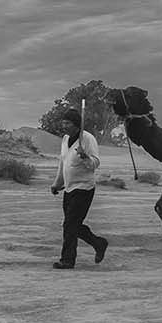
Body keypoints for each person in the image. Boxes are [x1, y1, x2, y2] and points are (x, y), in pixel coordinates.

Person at [49, 113, 107, 268]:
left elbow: (95, 163)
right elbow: (63, 163)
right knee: (72, 225)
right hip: (69, 188)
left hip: (84, 188)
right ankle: (98, 243)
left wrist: (84, 156)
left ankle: (67, 260)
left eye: (67, 123)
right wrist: (57, 183)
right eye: (63, 122)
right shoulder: (65, 140)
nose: (63, 125)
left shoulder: (87, 139)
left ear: (75, 124)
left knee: (70, 224)